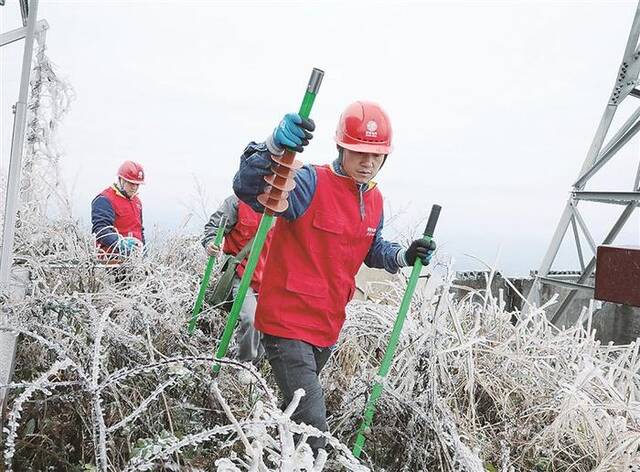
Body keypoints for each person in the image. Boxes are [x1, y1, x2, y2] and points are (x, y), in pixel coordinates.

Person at [232, 101, 436, 454]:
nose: (368, 162)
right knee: (314, 432)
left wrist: (405, 255)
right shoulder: (310, 182)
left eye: (376, 155)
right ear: (341, 146)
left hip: (327, 327)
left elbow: (371, 248)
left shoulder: (374, 198)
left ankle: (262, 452)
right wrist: (273, 147)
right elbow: (248, 187)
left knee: (294, 417)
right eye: (359, 152)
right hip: (286, 324)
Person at [202, 194, 272, 364]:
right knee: (252, 320)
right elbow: (214, 227)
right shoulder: (237, 202)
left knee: (269, 326)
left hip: (270, 279)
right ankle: (242, 367)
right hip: (241, 273)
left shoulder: (285, 206)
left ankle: (249, 368)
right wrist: (211, 243)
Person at [91, 160, 145, 259]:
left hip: (134, 260)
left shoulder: (137, 202)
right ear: (121, 180)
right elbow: (101, 230)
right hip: (111, 261)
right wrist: (120, 244)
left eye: (137, 184)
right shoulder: (104, 199)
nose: (134, 187)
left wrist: (144, 255)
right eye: (131, 183)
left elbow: (139, 230)